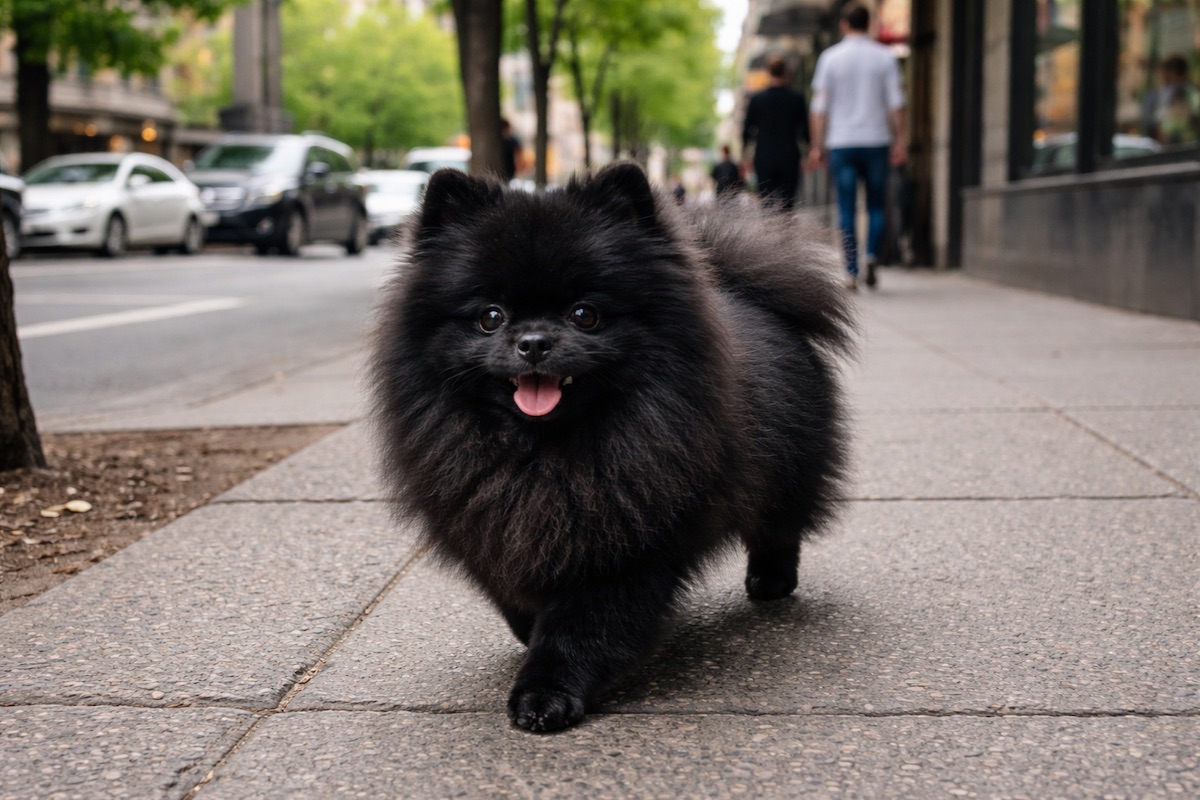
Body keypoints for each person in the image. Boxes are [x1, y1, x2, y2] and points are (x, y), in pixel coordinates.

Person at [807, 3, 907, 291]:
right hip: (876, 140)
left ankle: (851, 270)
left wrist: (817, 144)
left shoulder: (830, 58)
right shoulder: (884, 57)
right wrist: (900, 140)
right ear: (870, 24)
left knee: (846, 208)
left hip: (842, 142)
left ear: (843, 25)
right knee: (877, 204)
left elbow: (819, 106)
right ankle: (872, 255)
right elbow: (897, 104)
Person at [741, 56, 809, 210]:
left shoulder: (757, 99)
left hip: (764, 156)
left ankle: (769, 234)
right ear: (785, 72)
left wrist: (744, 155)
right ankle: (787, 234)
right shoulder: (796, 98)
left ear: (768, 72)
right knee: (788, 204)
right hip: (789, 155)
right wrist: (808, 152)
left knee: (766, 204)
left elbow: (747, 130)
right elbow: (805, 129)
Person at [500, 118, 523, 183]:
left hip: (508, 171)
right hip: (508, 171)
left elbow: (518, 155)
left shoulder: (512, 141)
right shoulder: (512, 140)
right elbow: (518, 156)